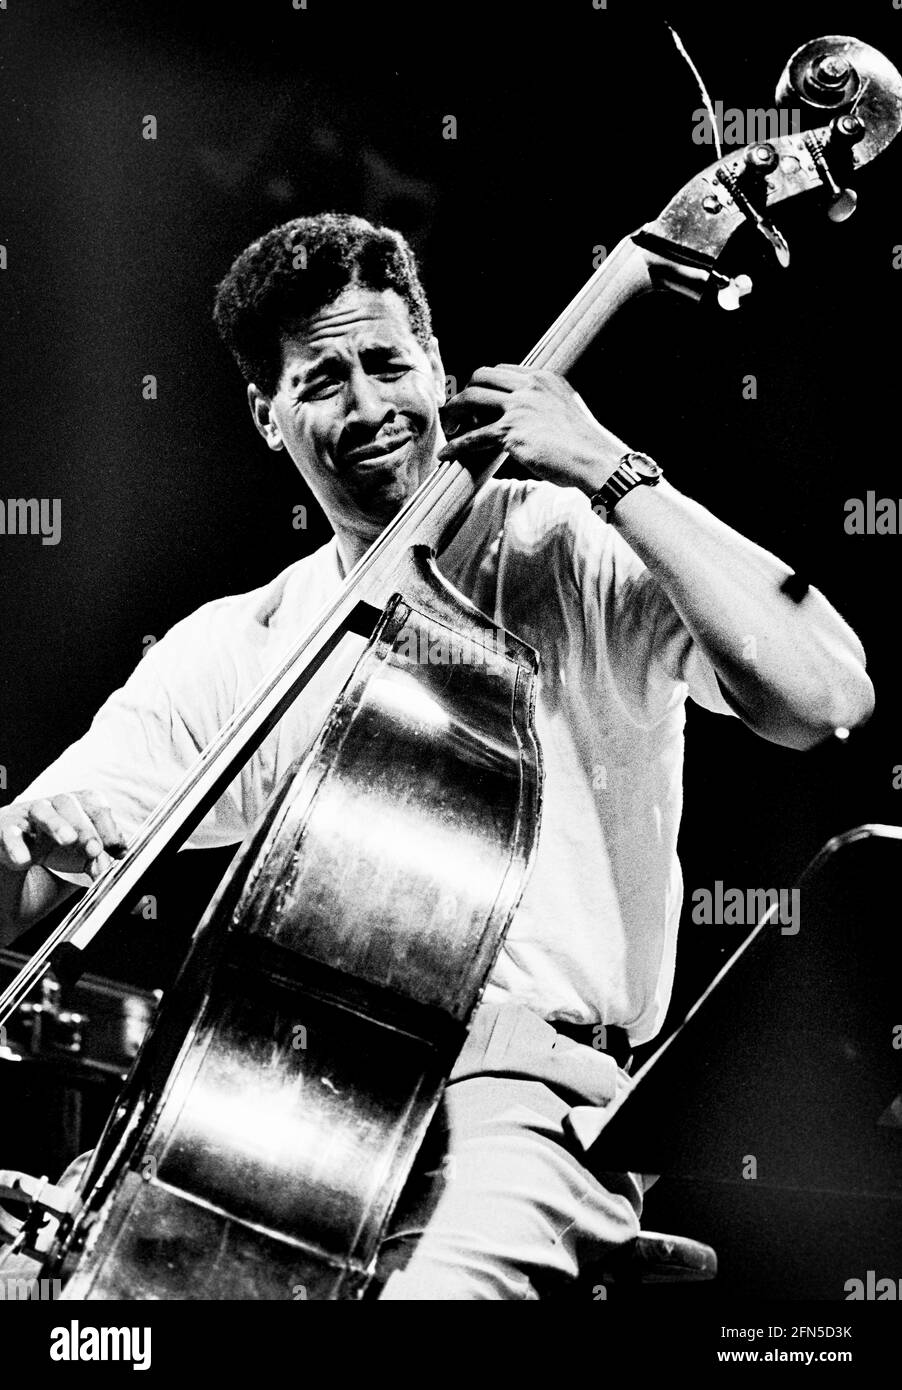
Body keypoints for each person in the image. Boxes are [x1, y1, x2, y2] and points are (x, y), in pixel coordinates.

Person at [0, 213, 873, 1299]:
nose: (366, 406)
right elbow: (31, 870)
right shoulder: (246, 643)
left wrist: (612, 469)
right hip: (271, 1102)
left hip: (518, 1100)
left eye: (386, 362)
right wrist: (40, 843)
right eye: (320, 380)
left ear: (437, 366)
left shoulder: (561, 547)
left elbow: (822, 696)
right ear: (266, 417)